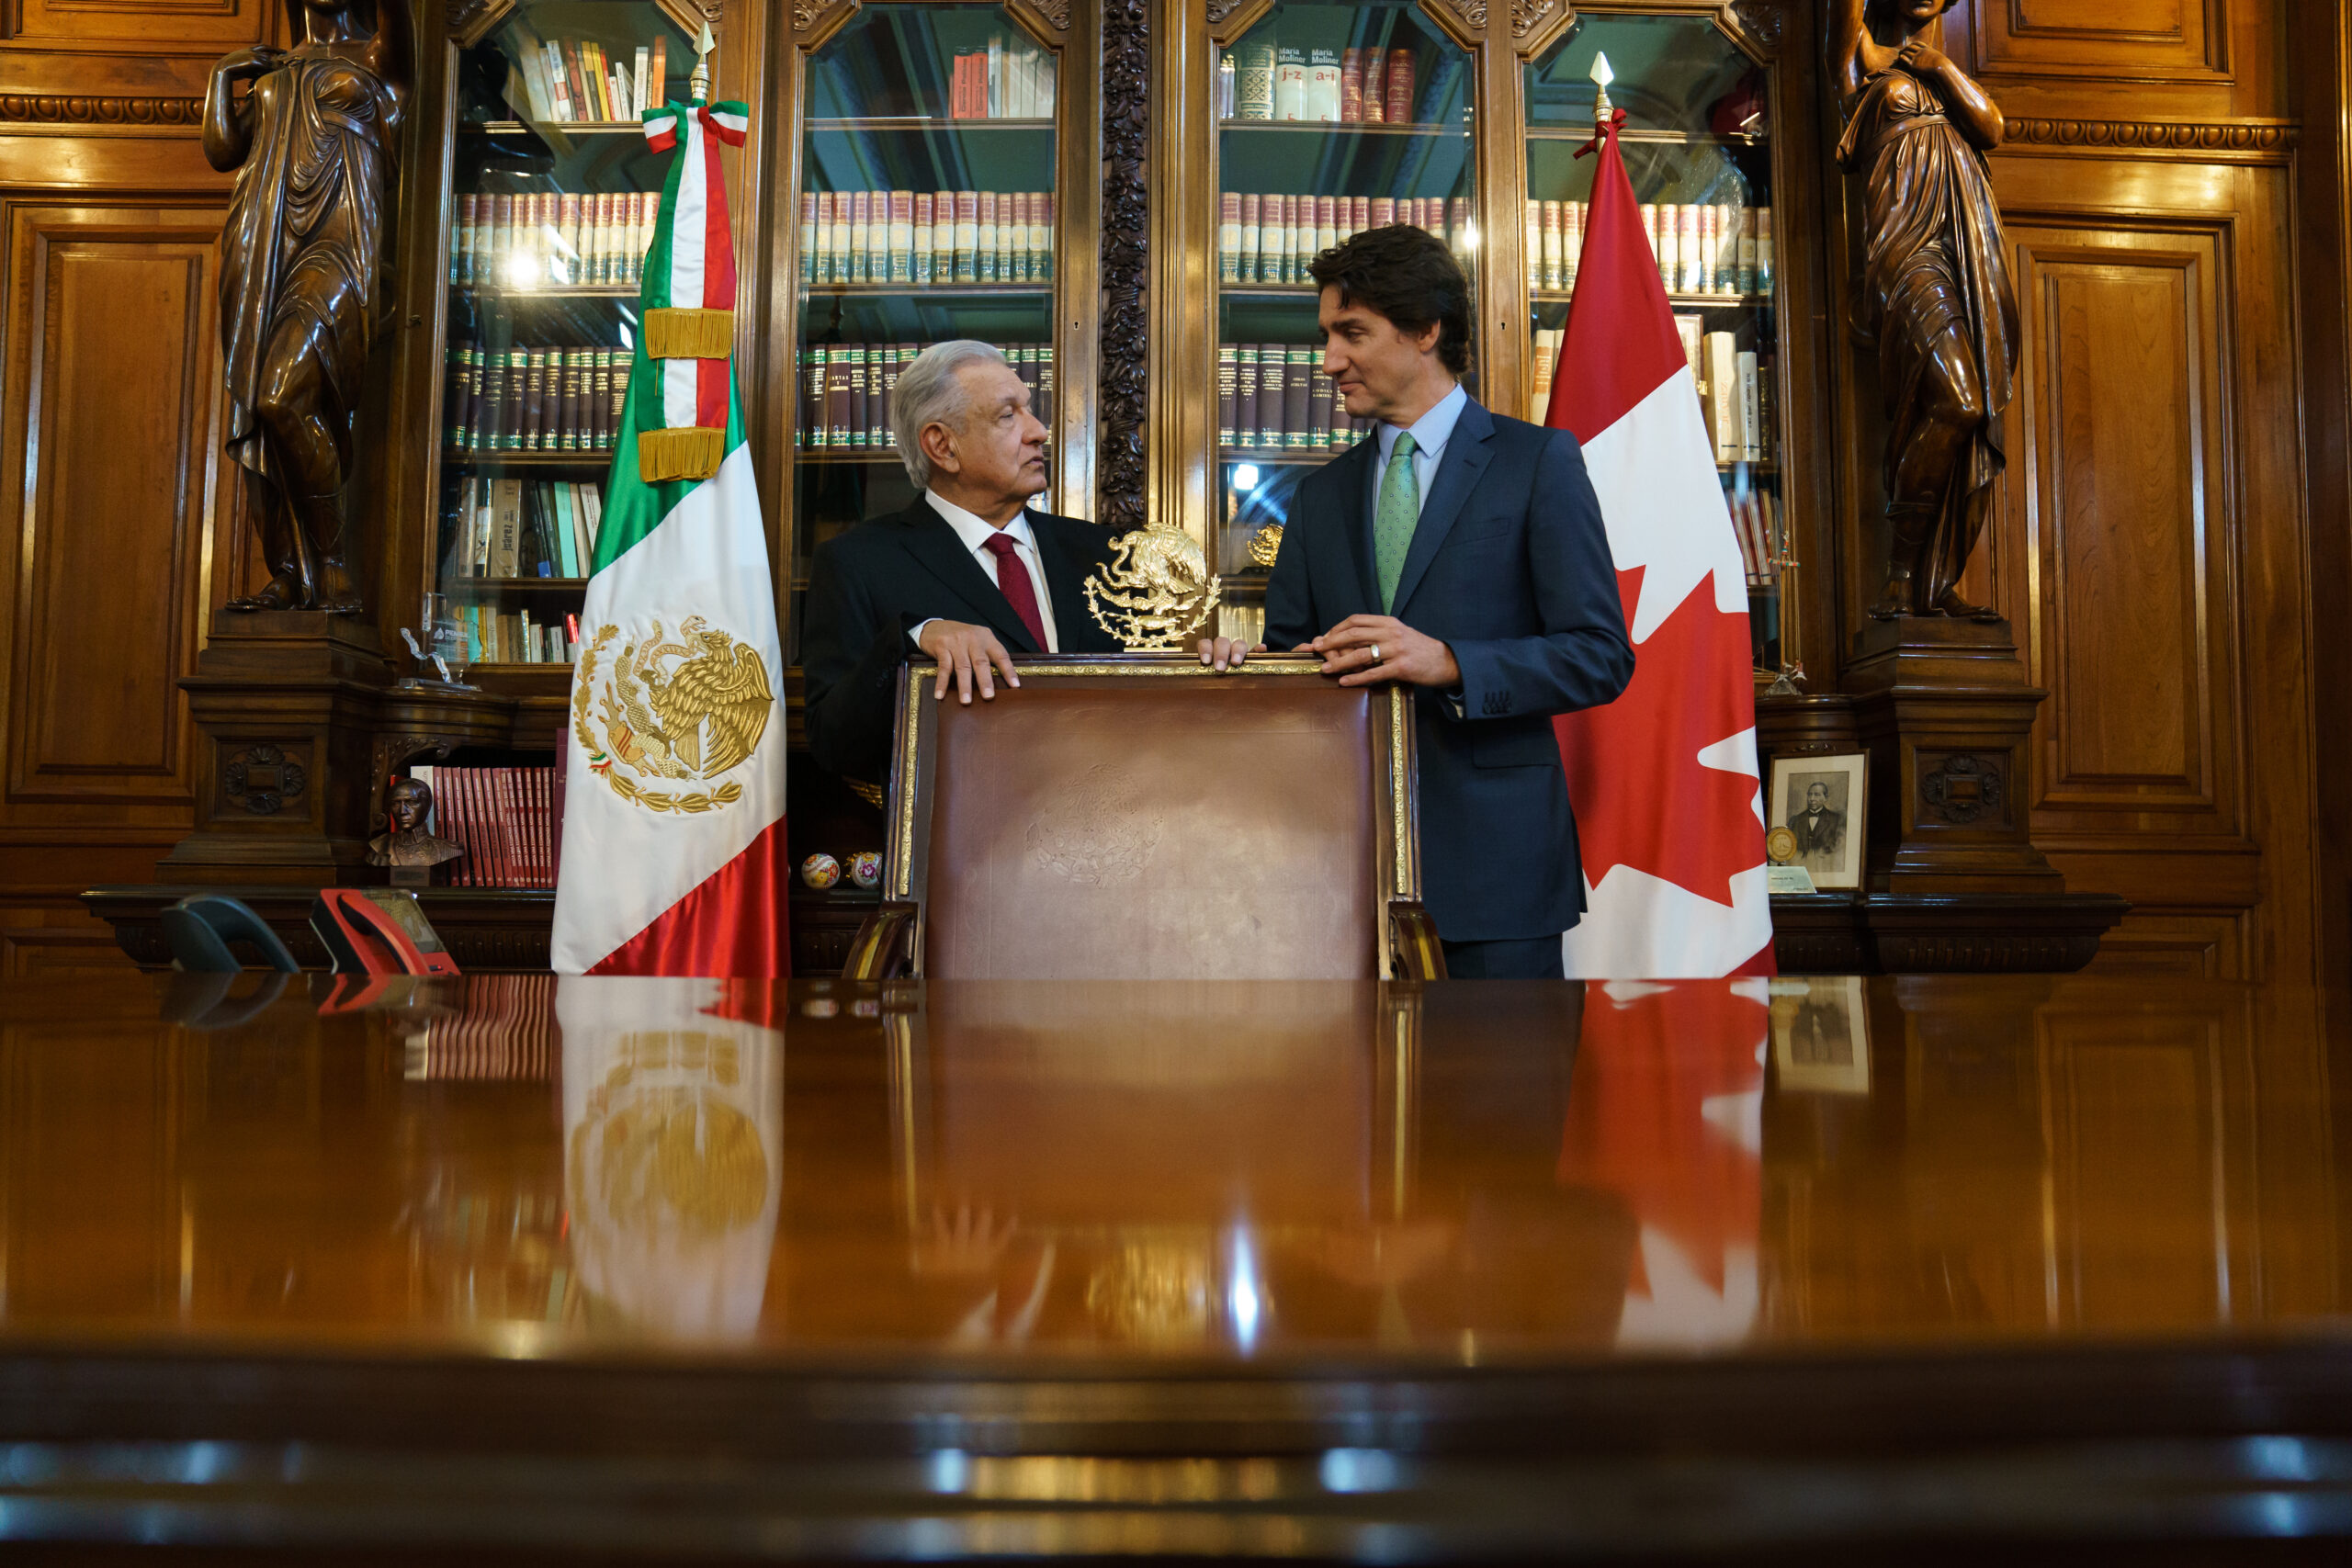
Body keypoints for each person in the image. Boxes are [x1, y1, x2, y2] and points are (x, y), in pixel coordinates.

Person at [1200, 226, 1634, 978]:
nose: (1329, 359)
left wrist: (1450, 662)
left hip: (1499, 876)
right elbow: (1294, 665)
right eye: (1327, 335)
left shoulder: (1537, 463)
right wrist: (1246, 670)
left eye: (1352, 333)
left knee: (1500, 1099)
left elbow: (1600, 655)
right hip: (1335, 876)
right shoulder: (1318, 497)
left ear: (1426, 330)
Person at [801, 340, 1125, 784]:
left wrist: (1212, 670)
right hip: (965, 843)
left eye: (1028, 410)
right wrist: (914, 636)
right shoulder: (858, 563)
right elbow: (835, 745)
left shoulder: (1104, 553)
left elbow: (1146, 688)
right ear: (943, 446)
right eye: (1008, 415)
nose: (1039, 431)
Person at [204, 0, 412, 613]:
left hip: (341, 244)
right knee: (259, 408)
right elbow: (222, 151)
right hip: (261, 243)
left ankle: (335, 562)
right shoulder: (276, 69)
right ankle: (292, 573)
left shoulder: (379, 57)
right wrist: (223, 76)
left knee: (280, 394)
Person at [1831, 0, 2017, 620]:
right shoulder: (1860, 56)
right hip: (1904, 245)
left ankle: (1931, 585)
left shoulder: (1935, 68)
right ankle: (1899, 572)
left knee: (1963, 406)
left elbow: (1991, 127)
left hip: (1962, 242)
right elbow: (1846, 77)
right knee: (1959, 401)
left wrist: (1936, 63)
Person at [1787, 779, 1846, 879]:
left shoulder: (1836, 820)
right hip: (1799, 874)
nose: (1812, 798)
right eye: (1810, 794)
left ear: (1825, 798)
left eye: (1817, 795)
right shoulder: (1795, 820)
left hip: (1827, 873)